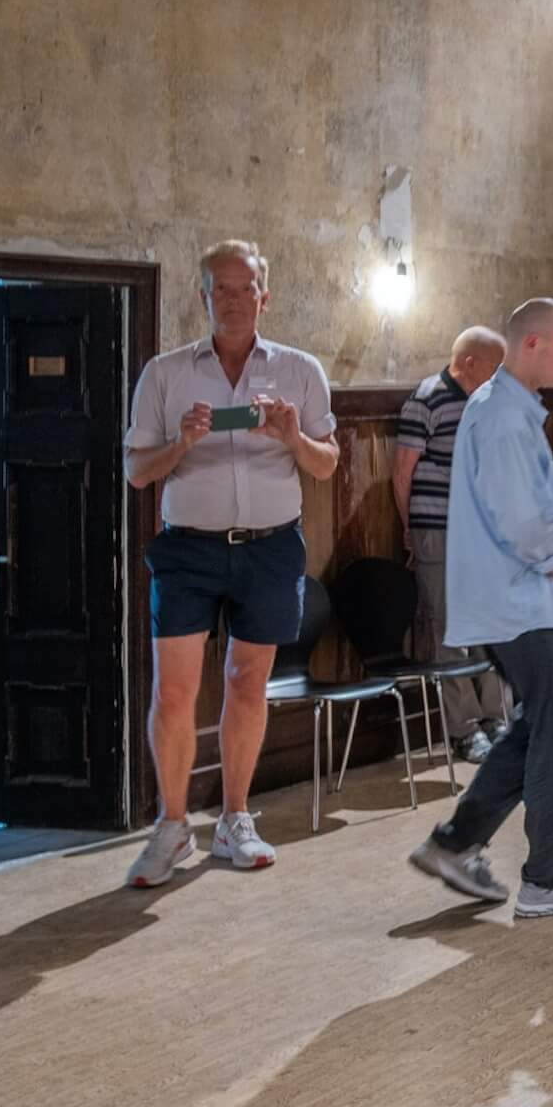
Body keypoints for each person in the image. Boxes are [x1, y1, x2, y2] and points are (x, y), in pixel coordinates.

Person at [405, 299, 553, 914]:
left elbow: (529, 508)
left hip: (522, 599)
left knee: (538, 728)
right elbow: (519, 526)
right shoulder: (502, 417)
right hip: (518, 603)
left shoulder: (509, 412)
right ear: (530, 344)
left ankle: (456, 843)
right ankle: (549, 879)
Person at [123, 240, 339, 886]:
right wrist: (181, 442)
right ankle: (170, 826)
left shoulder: (300, 370)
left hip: (271, 545)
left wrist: (291, 436)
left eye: (245, 288)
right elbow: (138, 474)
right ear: (203, 297)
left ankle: (235, 818)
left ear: (264, 297)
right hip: (188, 548)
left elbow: (326, 464)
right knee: (175, 690)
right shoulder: (165, 373)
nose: (233, 300)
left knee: (249, 683)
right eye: (220, 289)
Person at [396, 326, 512, 761]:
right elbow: (402, 471)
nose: (502, 375)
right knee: (449, 630)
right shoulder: (427, 399)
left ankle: (496, 717)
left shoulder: (492, 403)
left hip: (483, 533)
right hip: (438, 528)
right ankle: (463, 729)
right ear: (467, 364)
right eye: (495, 366)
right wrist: (408, 527)